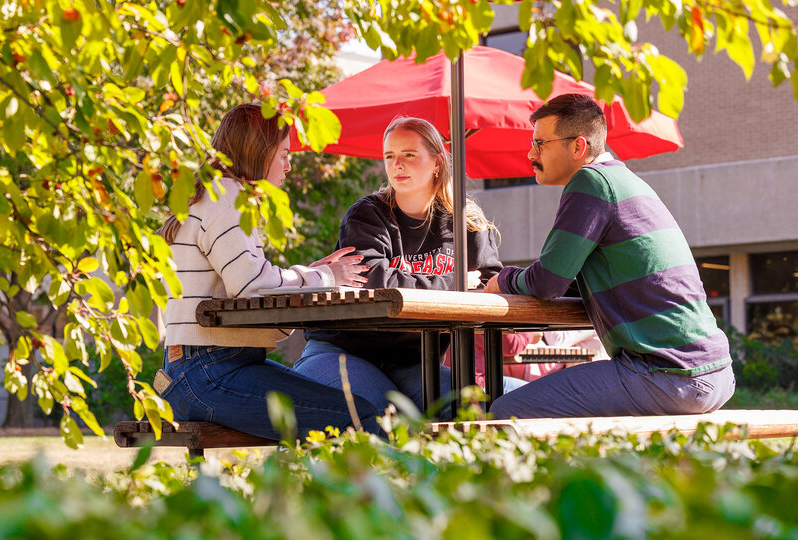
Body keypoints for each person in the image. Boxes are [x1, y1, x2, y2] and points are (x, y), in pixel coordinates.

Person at [484, 94, 735, 418]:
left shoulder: (591, 182)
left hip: (669, 373)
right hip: (714, 372)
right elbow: (582, 280)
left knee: (506, 411)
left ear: (578, 147)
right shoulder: (627, 181)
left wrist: (501, 280)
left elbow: (548, 283)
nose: (530, 154)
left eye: (540, 143)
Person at [158, 103, 382, 439]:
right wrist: (326, 278)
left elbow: (251, 282)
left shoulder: (215, 192)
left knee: (342, 417)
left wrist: (307, 277)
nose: (289, 166)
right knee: (357, 417)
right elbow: (253, 286)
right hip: (206, 371)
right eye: (284, 155)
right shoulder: (226, 194)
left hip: (200, 368)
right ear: (258, 152)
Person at [295, 117, 525, 418]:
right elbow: (372, 279)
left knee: (486, 407)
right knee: (381, 416)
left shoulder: (467, 223)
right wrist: (455, 283)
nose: (397, 164)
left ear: (437, 163)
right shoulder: (367, 216)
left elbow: (488, 287)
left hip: (414, 362)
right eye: (390, 156)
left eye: (409, 155)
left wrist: (463, 286)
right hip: (343, 351)